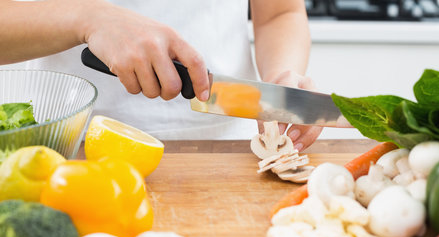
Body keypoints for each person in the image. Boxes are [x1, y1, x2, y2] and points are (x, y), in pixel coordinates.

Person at [0, 0, 322, 151]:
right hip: (68, 154)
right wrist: (87, 18)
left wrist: (282, 75)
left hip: (230, 153)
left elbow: (280, 13)